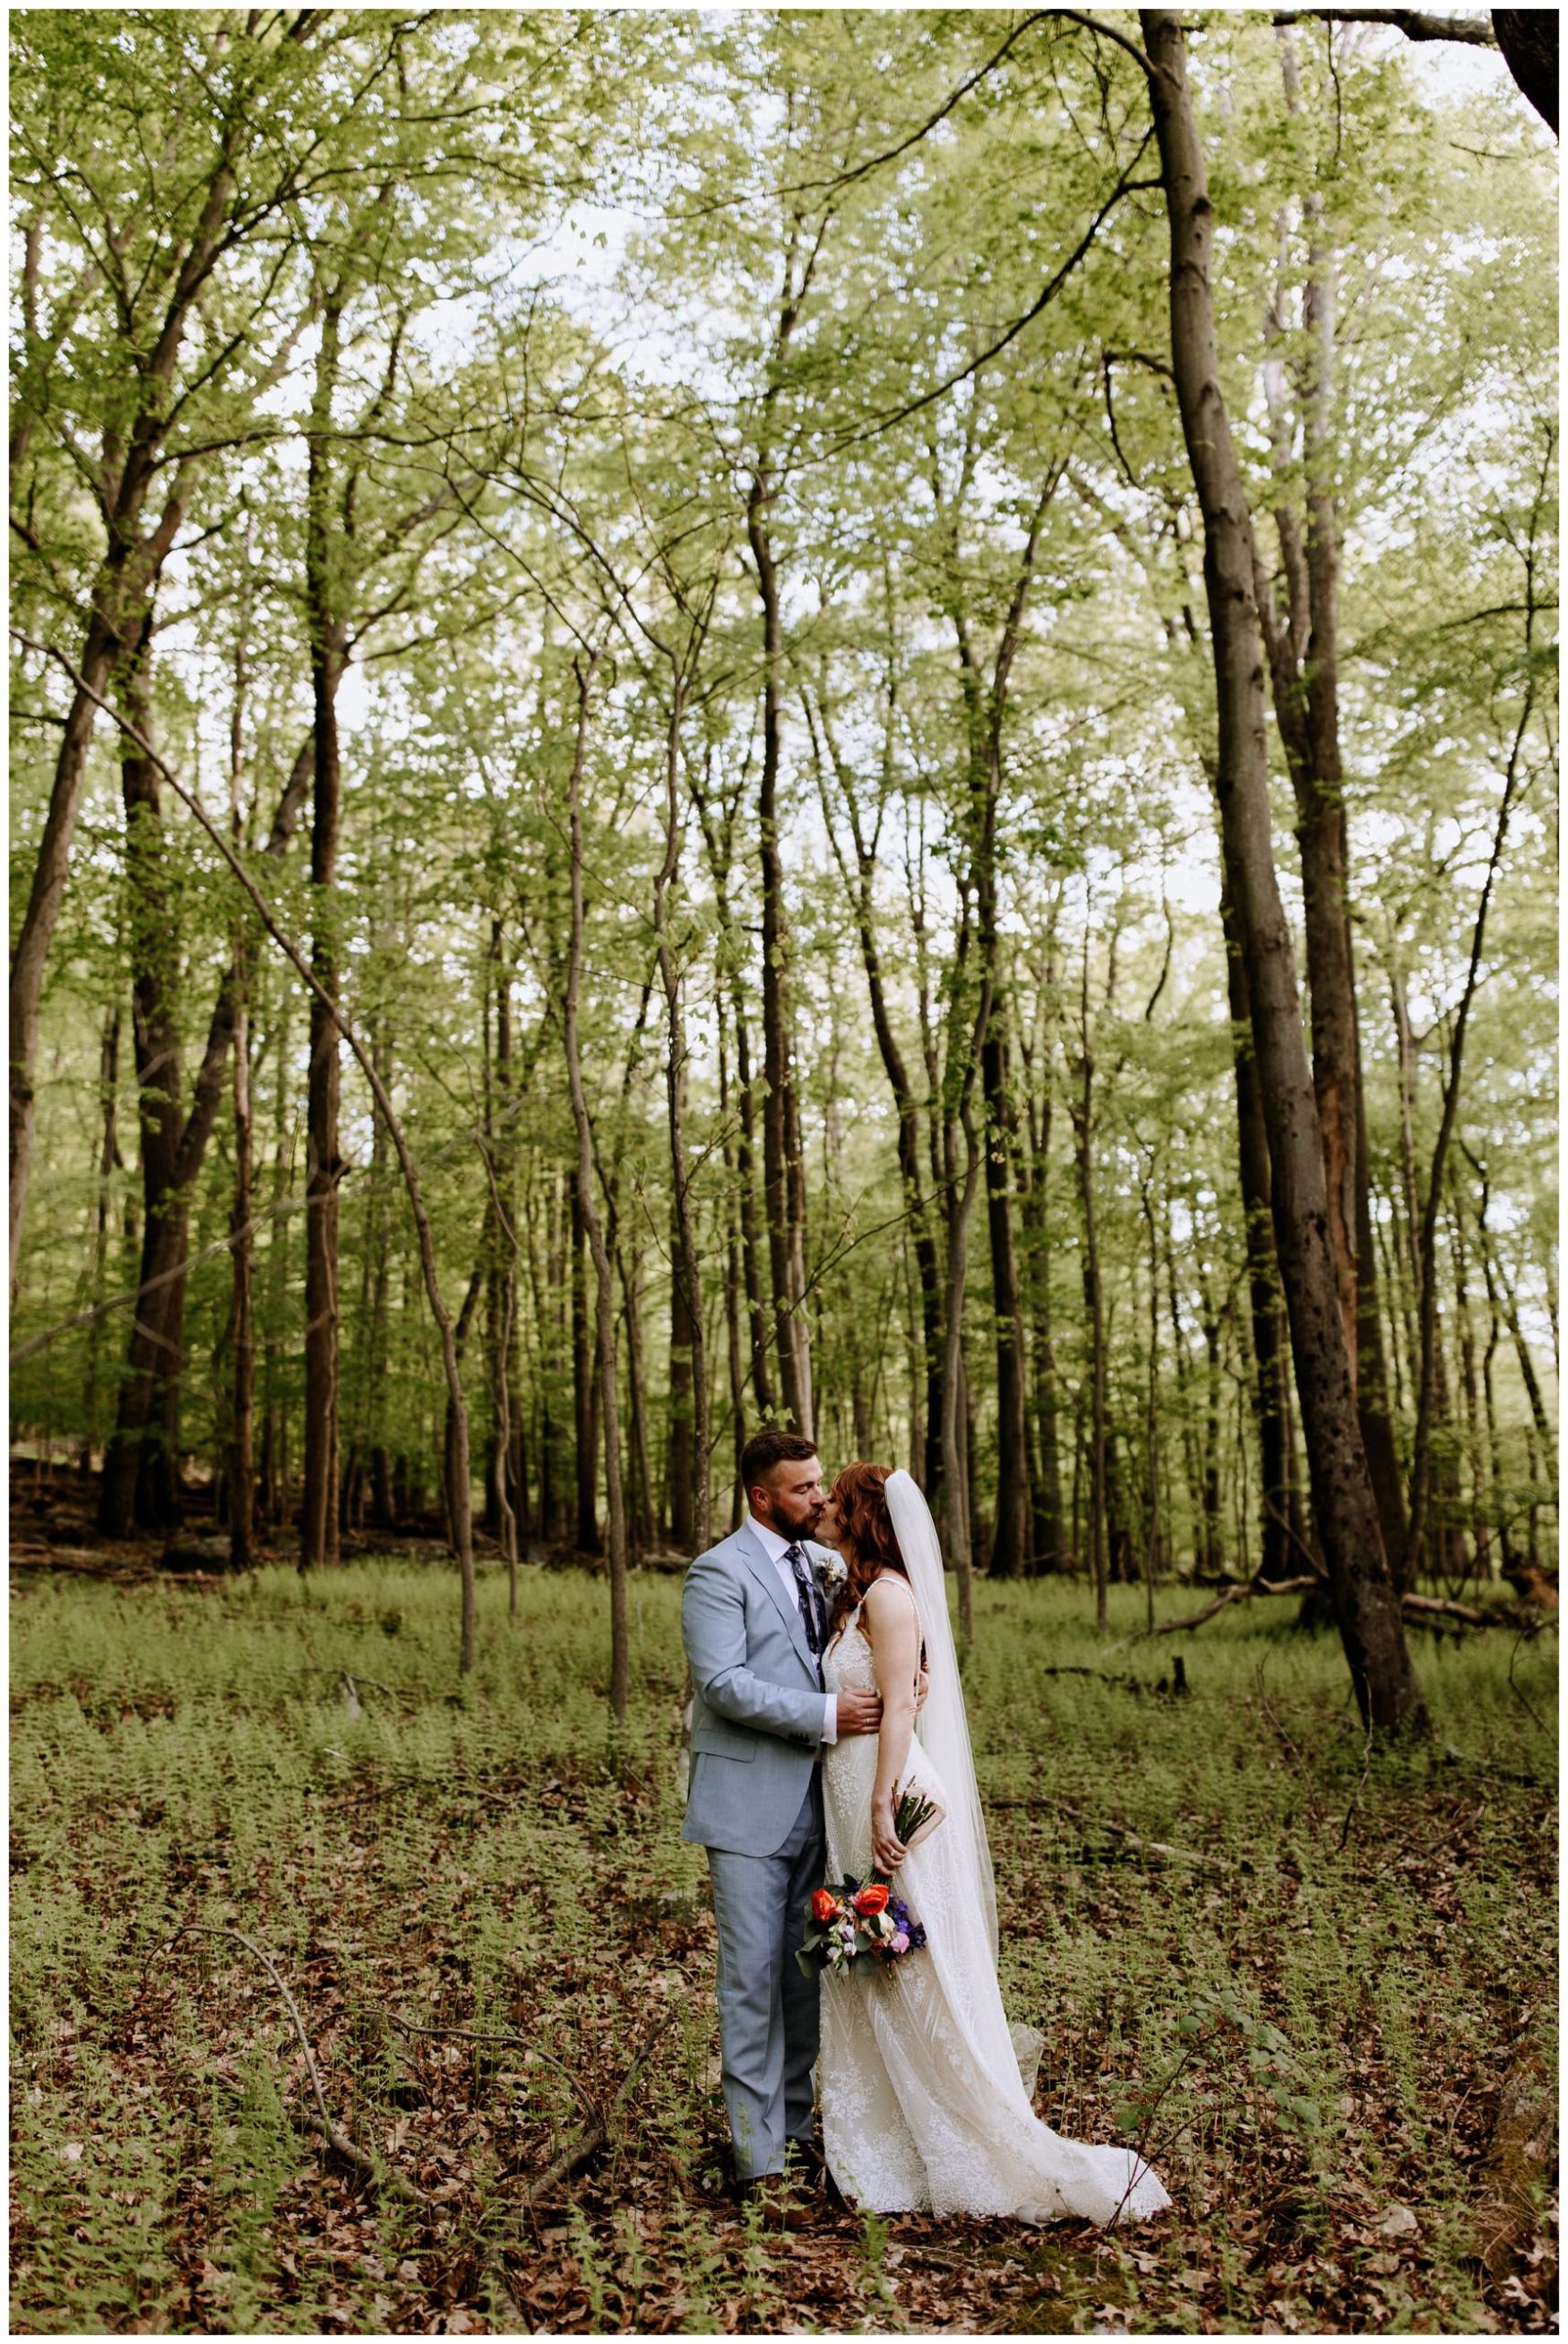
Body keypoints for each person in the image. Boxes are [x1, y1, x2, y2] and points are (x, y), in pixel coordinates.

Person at [814, 1460, 1172, 2227]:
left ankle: (965, 2137)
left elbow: (902, 1715)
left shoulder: (888, 1595)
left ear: (860, 1516)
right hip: (845, 1793)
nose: (823, 1508)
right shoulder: (854, 1592)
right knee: (875, 1966)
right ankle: (888, 2134)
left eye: (835, 1501)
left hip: (887, 1795)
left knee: (915, 1965)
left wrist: (881, 1805)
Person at [679, 1427, 884, 2214]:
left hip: (822, 1806)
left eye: (821, 1482)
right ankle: (755, 2154)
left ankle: (797, 2129)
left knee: (807, 1976)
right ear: (760, 1497)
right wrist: (828, 1713)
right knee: (752, 1980)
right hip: (746, 1809)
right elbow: (723, 1685)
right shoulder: (716, 1574)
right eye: (802, 1488)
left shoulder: (826, 1563)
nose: (820, 1497)